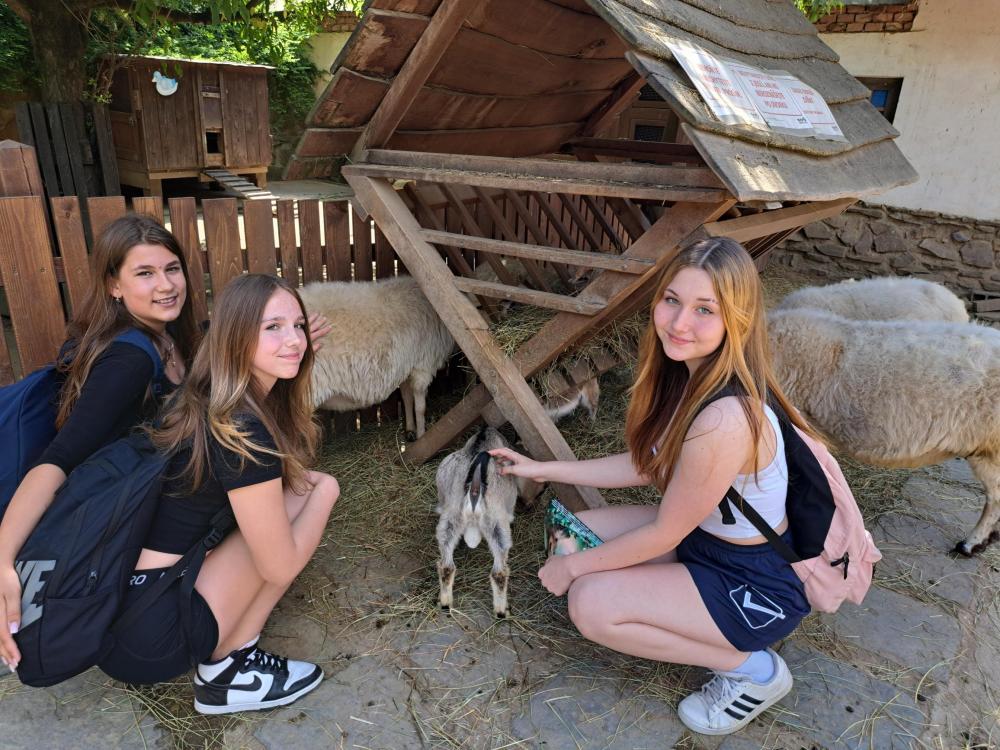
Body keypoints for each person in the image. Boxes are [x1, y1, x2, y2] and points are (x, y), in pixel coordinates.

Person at [491, 238, 814, 736]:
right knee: (572, 532)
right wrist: (544, 469)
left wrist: (574, 569)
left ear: (738, 319)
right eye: (672, 300)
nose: (680, 323)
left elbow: (665, 532)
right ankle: (664, 601)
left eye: (705, 309)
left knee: (590, 603)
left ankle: (752, 670)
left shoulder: (725, 417)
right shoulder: (692, 376)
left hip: (750, 582)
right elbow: (647, 466)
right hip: (704, 541)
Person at [0, 215, 330, 677]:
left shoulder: (172, 339)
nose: (166, 285)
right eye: (145, 273)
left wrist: (278, 343)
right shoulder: (128, 361)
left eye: (172, 268)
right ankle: (224, 657)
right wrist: (3, 557)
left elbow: (220, 370)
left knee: (281, 494)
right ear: (114, 286)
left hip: (159, 520)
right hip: (121, 535)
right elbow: (59, 458)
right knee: (304, 497)